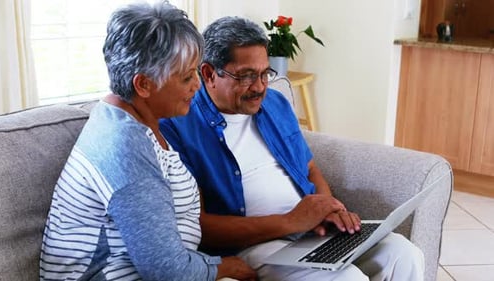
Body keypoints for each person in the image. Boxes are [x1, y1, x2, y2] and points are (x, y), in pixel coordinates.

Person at [159, 16, 425, 281]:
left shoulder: (275, 104)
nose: (260, 86)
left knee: (405, 254)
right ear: (208, 74)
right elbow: (198, 226)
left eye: (265, 73)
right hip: (257, 246)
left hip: (312, 232)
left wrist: (330, 209)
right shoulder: (179, 124)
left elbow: (309, 169)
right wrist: (292, 221)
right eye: (247, 76)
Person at [39, 3, 256, 281]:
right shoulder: (124, 146)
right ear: (143, 85)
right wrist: (224, 267)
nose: (197, 86)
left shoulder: (134, 120)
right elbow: (166, 270)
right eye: (186, 77)